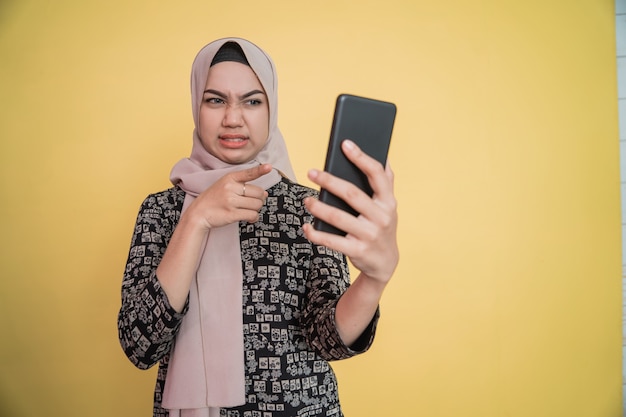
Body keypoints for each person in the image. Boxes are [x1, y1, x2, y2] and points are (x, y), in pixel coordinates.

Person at [117, 37, 399, 417]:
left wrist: (374, 279)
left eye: (252, 101)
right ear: (196, 106)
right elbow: (140, 345)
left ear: (272, 109)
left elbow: (328, 339)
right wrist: (197, 217)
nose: (233, 118)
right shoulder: (161, 210)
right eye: (215, 100)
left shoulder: (308, 206)